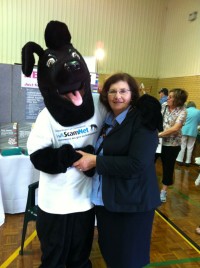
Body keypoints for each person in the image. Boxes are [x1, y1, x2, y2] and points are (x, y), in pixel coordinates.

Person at [73, 73, 162, 268]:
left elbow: (137, 164)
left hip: (132, 205)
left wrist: (96, 161)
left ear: (133, 94)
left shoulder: (143, 120)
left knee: (128, 259)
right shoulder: (110, 121)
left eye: (123, 91)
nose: (117, 96)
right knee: (111, 253)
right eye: (112, 91)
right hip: (109, 202)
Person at [157, 88, 188, 202]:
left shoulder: (183, 111)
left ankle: (163, 191)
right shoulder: (164, 105)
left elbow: (176, 128)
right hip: (158, 143)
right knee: (148, 163)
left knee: (168, 168)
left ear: (178, 100)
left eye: (170, 97)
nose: (167, 98)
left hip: (172, 145)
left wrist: (158, 135)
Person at [176, 101, 200, 166]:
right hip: (193, 131)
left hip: (184, 130)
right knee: (190, 147)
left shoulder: (185, 110)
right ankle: (188, 161)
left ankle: (180, 160)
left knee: (182, 146)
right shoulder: (198, 111)